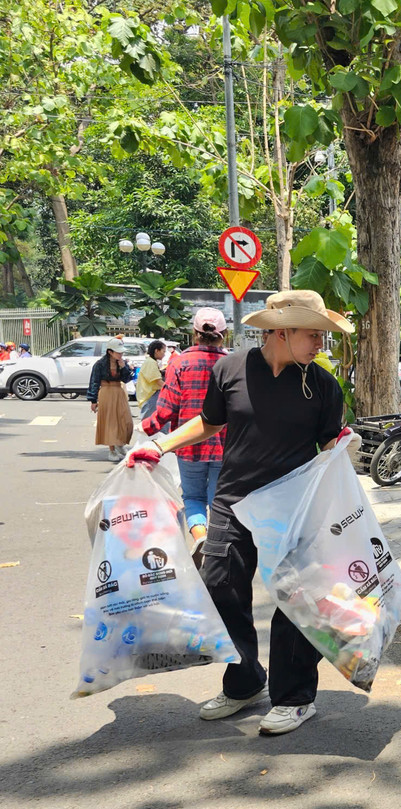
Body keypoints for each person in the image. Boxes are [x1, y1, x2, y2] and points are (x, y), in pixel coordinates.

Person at [126, 290, 351, 736]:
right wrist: (157, 445)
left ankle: (295, 696)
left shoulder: (322, 385)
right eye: (312, 335)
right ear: (281, 332)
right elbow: (210, 422)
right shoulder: (229, 368)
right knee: (220, 585)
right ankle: (246, 681)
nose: (319, 346)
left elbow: (329, 442)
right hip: (233, 500)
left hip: (294, 505)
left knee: (294, 598)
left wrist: (344, 450)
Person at [144, 310, 229, 564]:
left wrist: (148, 428)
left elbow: (167, 408)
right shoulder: (231, 364)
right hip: (225, 445)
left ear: (194, 334)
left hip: (188, 446)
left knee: (192, 497)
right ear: (223, 336)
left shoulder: (179, 363)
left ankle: (200, 536)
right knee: (219, 500)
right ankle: (220, 548)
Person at [88, 338, 135, 461]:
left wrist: (124, 367)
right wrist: (93, 400)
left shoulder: (122, 363)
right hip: (106, 391)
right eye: (118, 352)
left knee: (126, 420)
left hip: (119, 391)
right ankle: (112, 450)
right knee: (110, 422)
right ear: (110, 352)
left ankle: (120, 443)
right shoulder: (100, 364)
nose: (121, 354)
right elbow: (94, 381)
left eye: (121, 352)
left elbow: (127, 379)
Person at [136, 340, 167, 423]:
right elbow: (158, 381)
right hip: (150, 397)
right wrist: (170, 389)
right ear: (156, 351)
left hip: (149, 396)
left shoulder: (150, 361)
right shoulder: (151, 362)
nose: (164, 354)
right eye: (163, 351)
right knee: (151, 424)